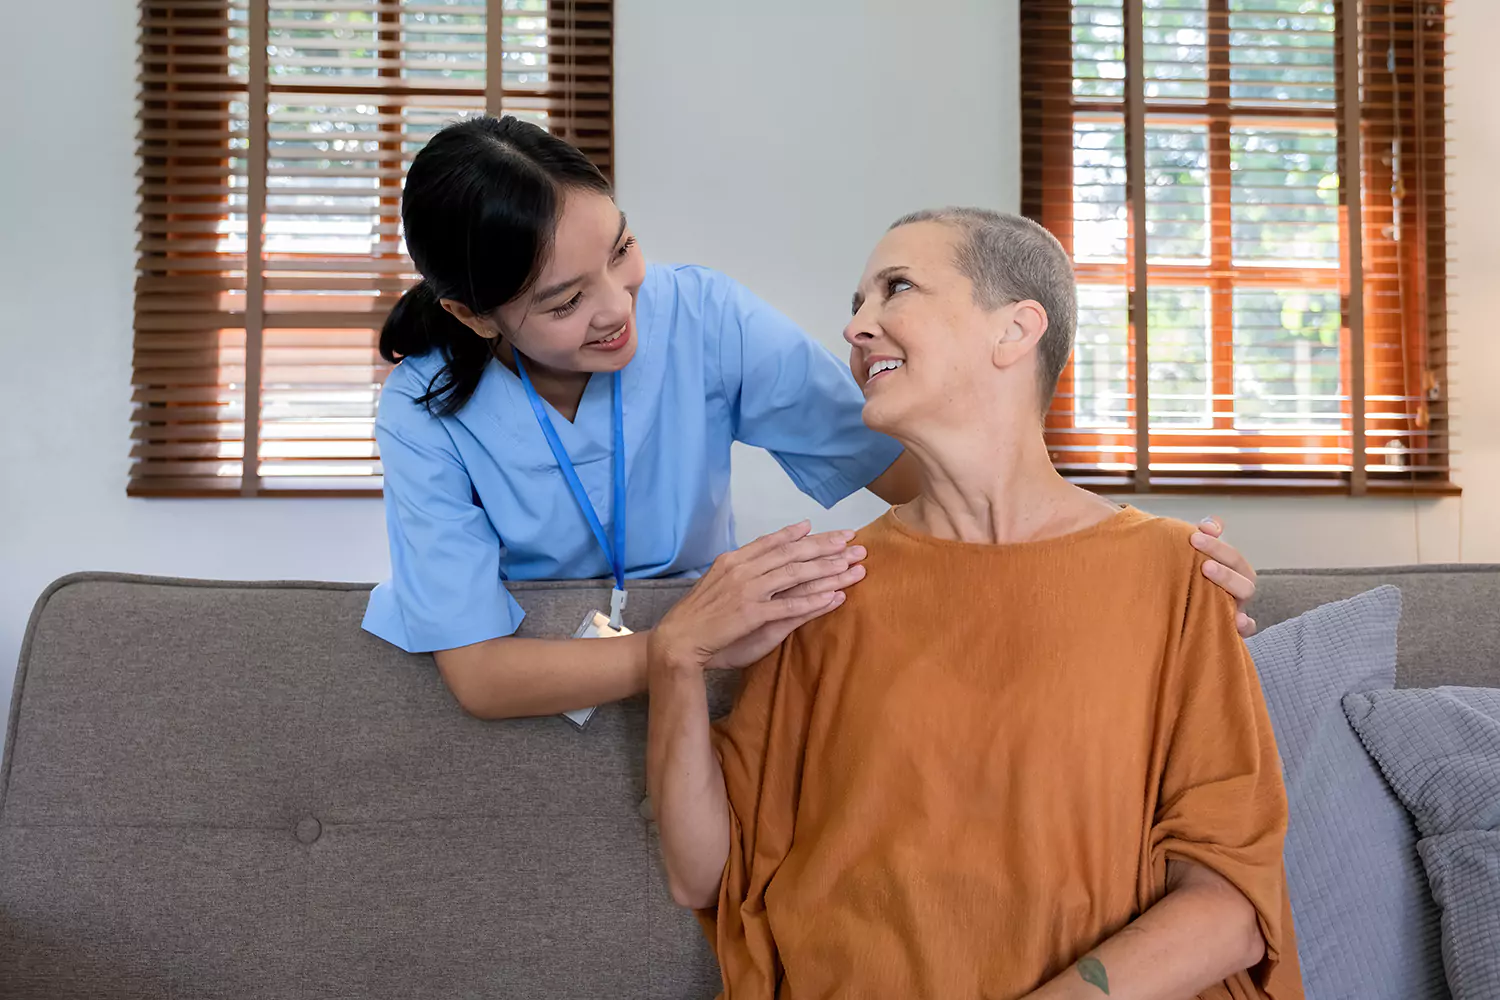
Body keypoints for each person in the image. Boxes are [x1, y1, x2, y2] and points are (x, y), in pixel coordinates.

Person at [363, 115, 1261, 724]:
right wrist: (685, 646)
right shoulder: (421, 410)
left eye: (623, 249)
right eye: (564, 300)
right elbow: (480, 673)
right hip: (589, 664)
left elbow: (924, 476)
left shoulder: (703, 317)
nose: (618, 305)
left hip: (710, 644)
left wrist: (1128, 555)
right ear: (474, 316)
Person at [646, 209, 1302, 1000]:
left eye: (896, 289)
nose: (857, 328)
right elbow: (702, 875)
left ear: (1016, 331)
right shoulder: (827, 582)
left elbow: (1232, 903)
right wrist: (676, 660)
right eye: (854, 305)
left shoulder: (1174, 574)